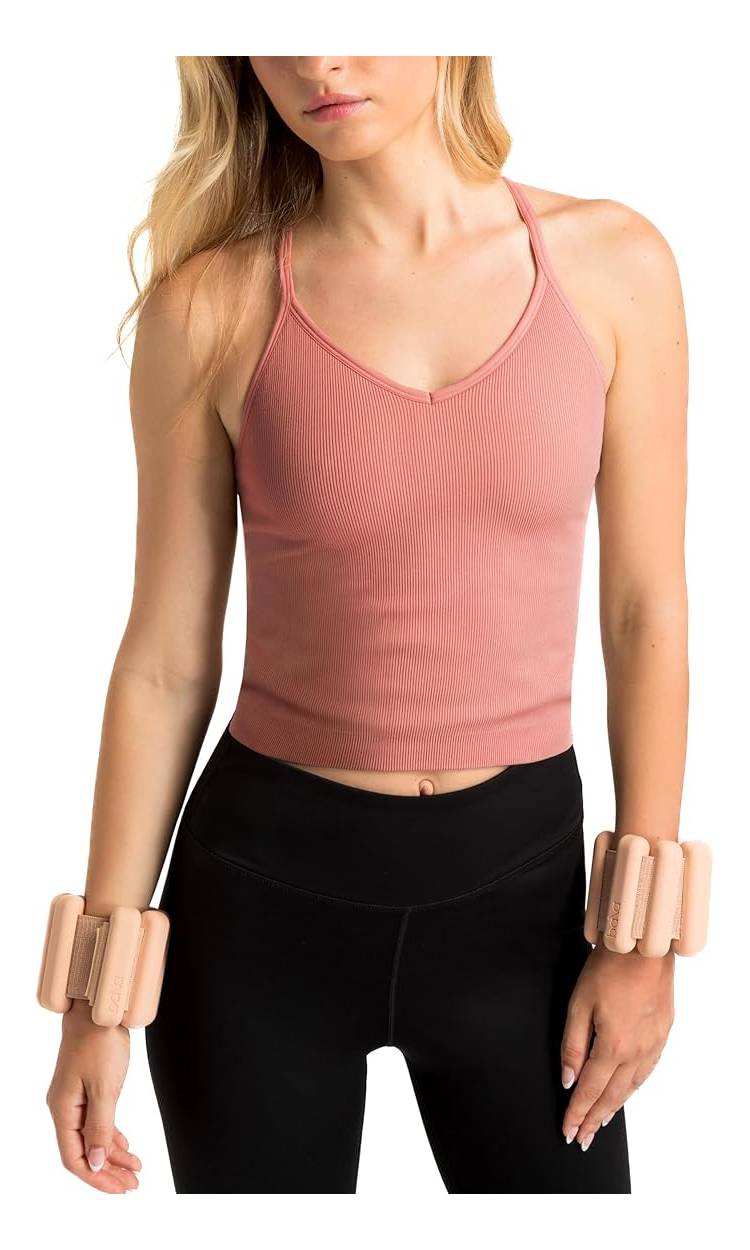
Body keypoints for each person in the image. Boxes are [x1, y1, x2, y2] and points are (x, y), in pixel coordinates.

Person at [44, 56, 688, 1194]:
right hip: (260, 914)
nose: (318, 61)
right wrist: (98, 998)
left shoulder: (612, 265)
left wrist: (642, 944)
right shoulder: (211, 306)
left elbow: (646, 613)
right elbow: (164, 663)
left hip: (525, 911)